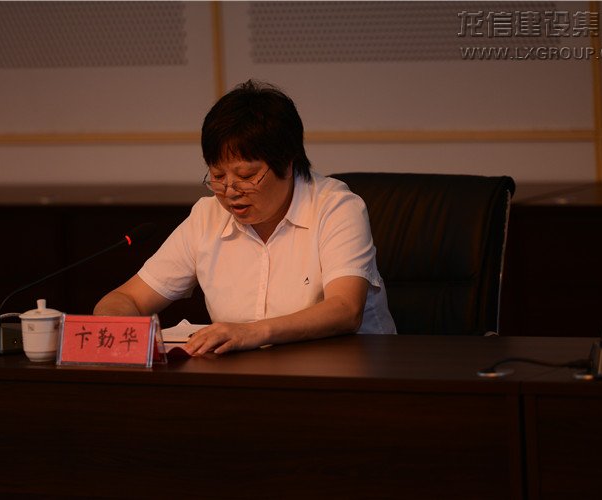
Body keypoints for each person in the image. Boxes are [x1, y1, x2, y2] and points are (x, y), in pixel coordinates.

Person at [94, 80, 396, 355]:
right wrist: (118, 330)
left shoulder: (336, 207)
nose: (230, 191)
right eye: (217, 176)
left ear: (287, 163)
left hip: (348, 376)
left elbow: (345, 309)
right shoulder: (207, 217)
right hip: (248, 381)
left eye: (246, 176)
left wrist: (251, 332)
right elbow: (126, 299)